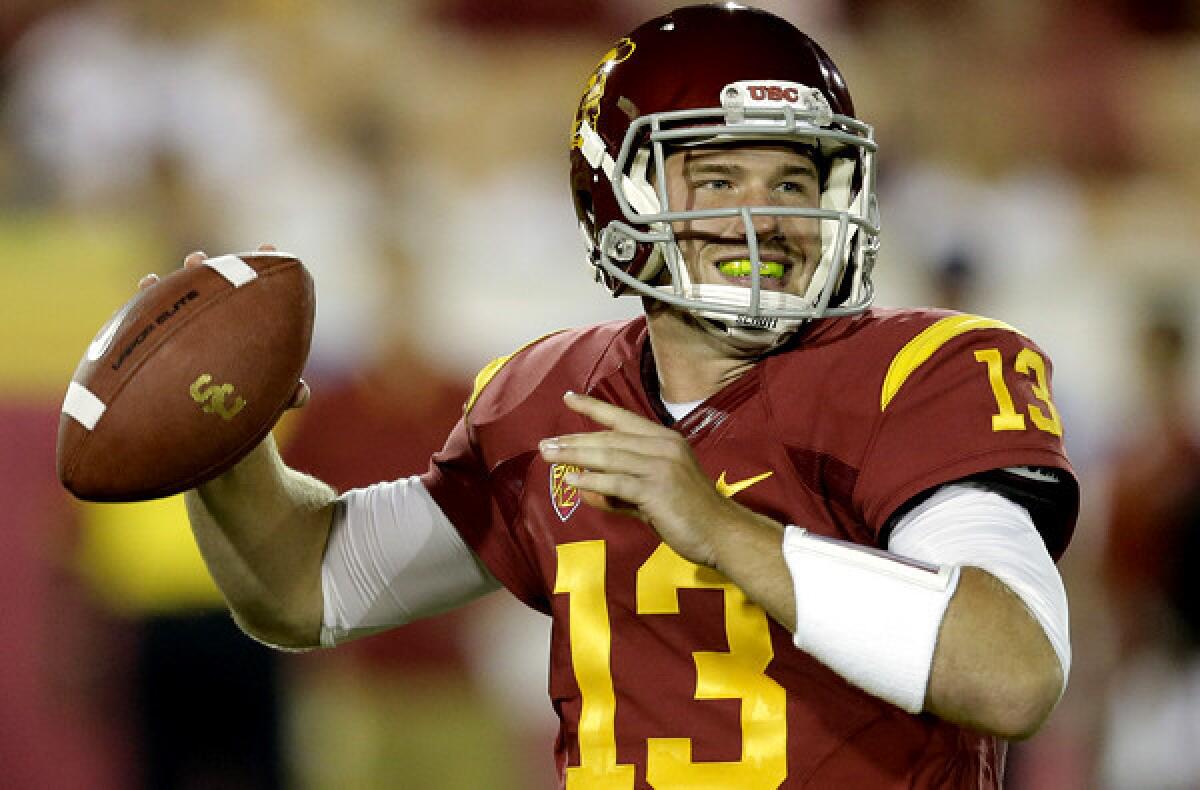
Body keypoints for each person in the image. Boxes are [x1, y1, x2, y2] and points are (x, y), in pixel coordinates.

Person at [163, 5, 1077, 787]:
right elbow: (308, 587)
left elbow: (1015, 674)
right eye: (719, 179)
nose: (768, 221)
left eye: (794, 181)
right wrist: (222, 439)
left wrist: (721, 529)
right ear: (621, 197)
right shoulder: (549, 395)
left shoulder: (921, 372)